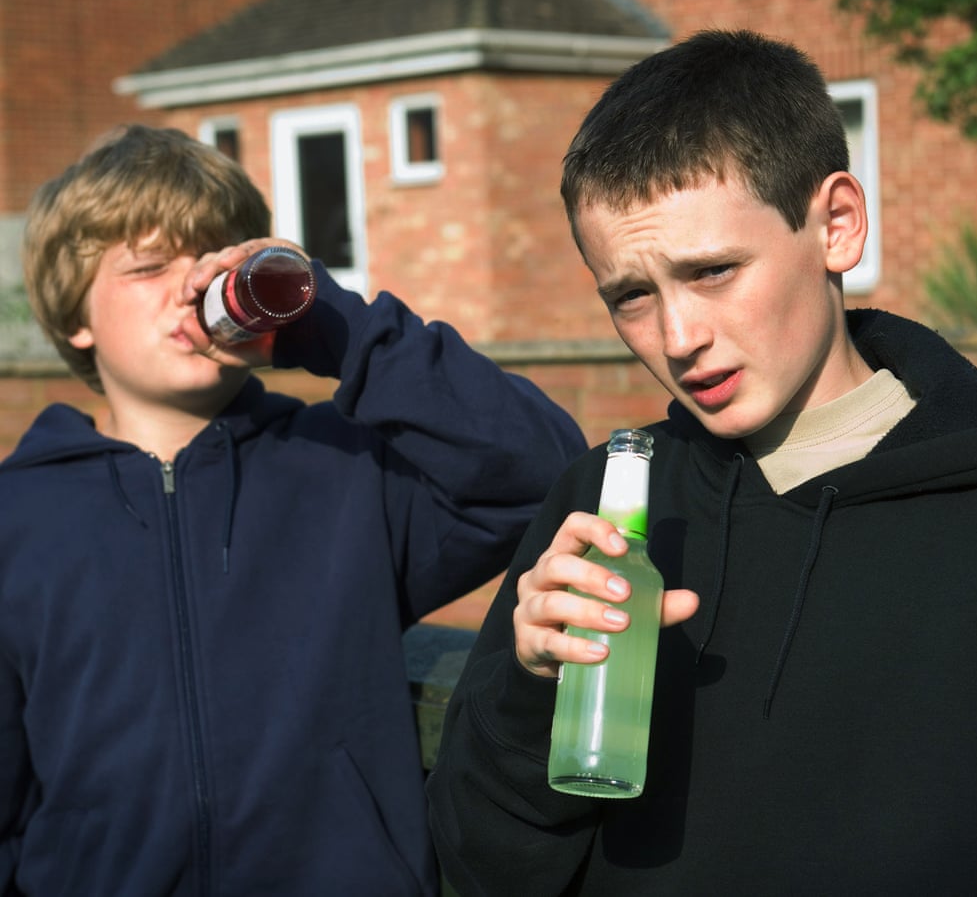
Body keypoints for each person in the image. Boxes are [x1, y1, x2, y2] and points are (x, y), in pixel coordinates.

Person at [426, 29, 977, 895]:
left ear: (836, 225)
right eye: (632, 296)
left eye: (713, 271)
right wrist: (529, 696)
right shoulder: (605, 507)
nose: (679, 338)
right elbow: (477, 867)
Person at [0, 124, 585, 896]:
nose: (187, 286)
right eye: (147, 266)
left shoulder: (346, 466)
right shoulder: (20, 514)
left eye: (208, 261)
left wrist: (335, 333)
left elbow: (543, 468)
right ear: (75, 317)